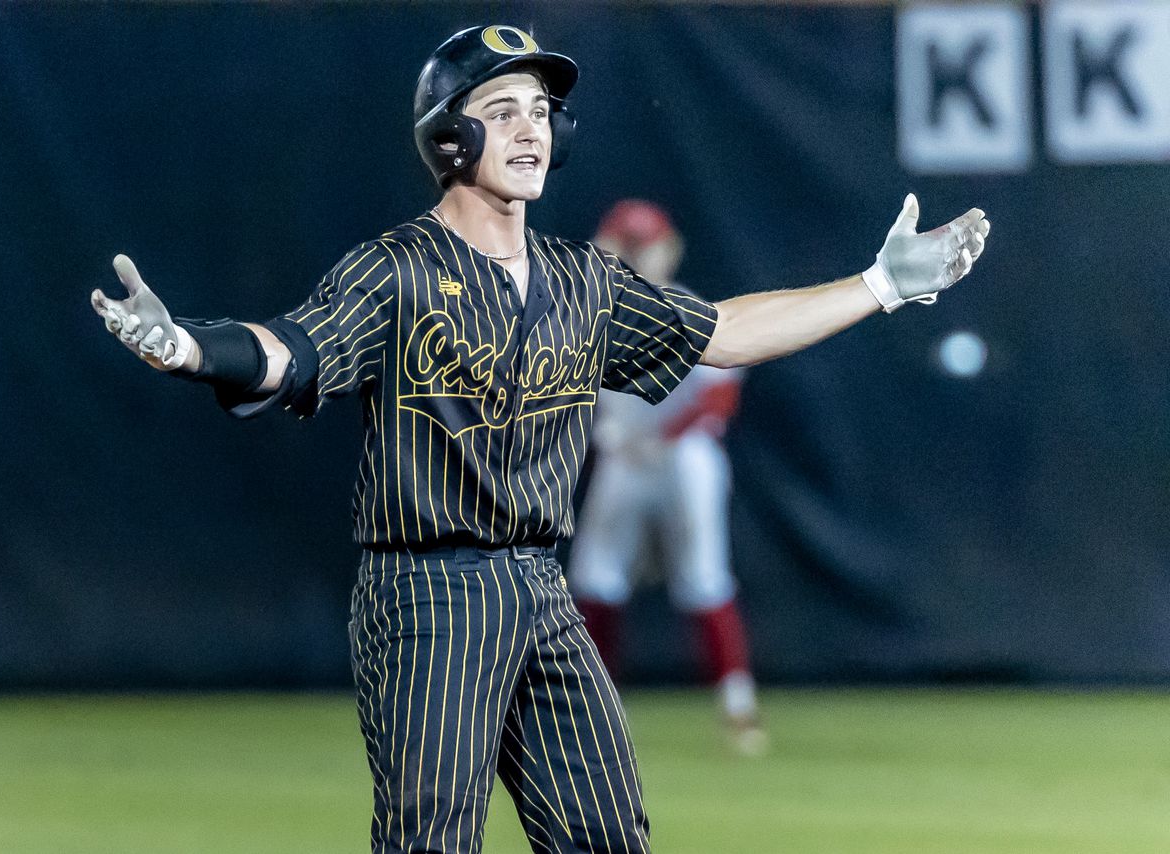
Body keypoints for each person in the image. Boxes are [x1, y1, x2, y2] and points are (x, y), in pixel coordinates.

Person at [90, 23, 990, 854]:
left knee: (607, 836)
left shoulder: (582, 278)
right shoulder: (397, 269)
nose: (531, 130)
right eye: (502, 110)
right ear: (451, 138)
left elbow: (720, 330)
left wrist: (879, 285)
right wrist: (189, 346)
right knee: (431, 841)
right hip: (429, 593)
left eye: (542, 112)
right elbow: (294, 350)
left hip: (540, 590)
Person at [569, 199, 765, 756]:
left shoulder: (688, 309)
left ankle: (738, 706)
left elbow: (721, 395)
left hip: (685, 458)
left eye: (643, 243)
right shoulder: (585, 314)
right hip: (623, 458)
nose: (632, 254)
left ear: (668, 248)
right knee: (594, 578)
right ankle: (591, 708)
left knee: (704, 577)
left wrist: (665, 439)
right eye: (622, 243)